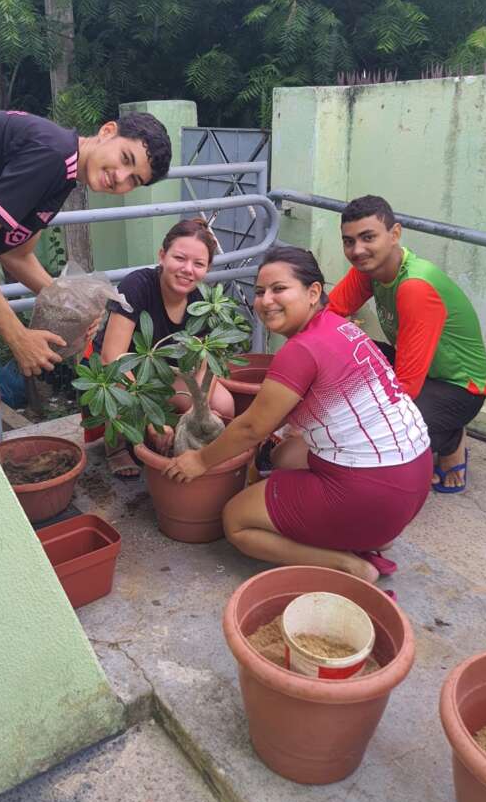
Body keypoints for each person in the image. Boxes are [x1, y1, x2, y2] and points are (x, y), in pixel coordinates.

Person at [164, 246, 432, 584]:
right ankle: (371, 533)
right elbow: (275, 421)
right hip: (413, 480)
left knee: (236, 521)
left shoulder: (301, 350)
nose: (266, 301)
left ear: (313, 292)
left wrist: (201, 460)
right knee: (283, 455)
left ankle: (348, 565)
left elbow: (251, 428)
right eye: (260, 291)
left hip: (370, 493)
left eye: (279, 289)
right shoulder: (341, 328)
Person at [0, 108, 172, 455]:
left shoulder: (61, 164)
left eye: (134, 180)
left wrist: (73, 308)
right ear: (108, 131)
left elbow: (15, 254)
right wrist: (17, 336)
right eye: (125, 158)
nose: (120, 178)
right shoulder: (51, 156)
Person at [327, 195, 486, 494]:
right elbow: (327, 317)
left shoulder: (415, 285)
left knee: (382, 442)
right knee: (340, 350)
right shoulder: (368, 270)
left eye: (368, 237)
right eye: (349, 241)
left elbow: (405, 386)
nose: (357, 250)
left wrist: (350, 423)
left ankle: (450, 438)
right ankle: (426, 437)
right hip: (417, 370)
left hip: (459, 387)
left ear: (395, 234)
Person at [95, 217, 235, 477]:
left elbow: (207, 364)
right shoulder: (137, 285)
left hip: (163, 372)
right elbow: (112, 358)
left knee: (222, 404)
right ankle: (116, 446)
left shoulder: (201, 300)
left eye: (198, 264)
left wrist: (198, 410)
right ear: (162, 255)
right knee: (113, 385)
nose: (187, 269)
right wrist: (152, 418)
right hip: (121, 371)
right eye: (179, 258)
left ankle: (191, 449)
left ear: (207, 268)